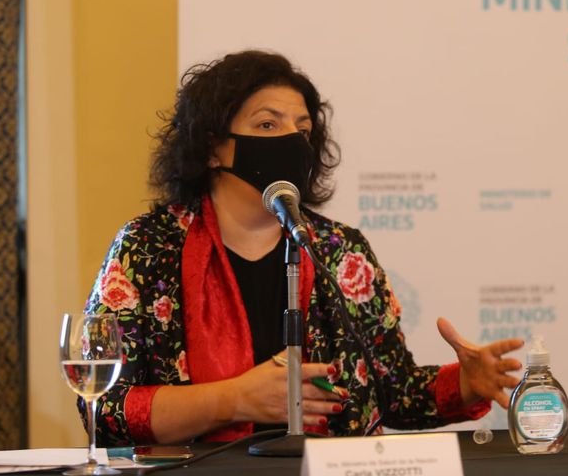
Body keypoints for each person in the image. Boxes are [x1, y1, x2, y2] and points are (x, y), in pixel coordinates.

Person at [82, 50, 523, 445]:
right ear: (213, 148)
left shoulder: (341, 251)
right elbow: (103, 408)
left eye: (303, 129)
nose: (292, 141)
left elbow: (392, 394)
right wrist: (234, 399)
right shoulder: (147, 248)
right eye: (267, 124)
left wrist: (464, 384)